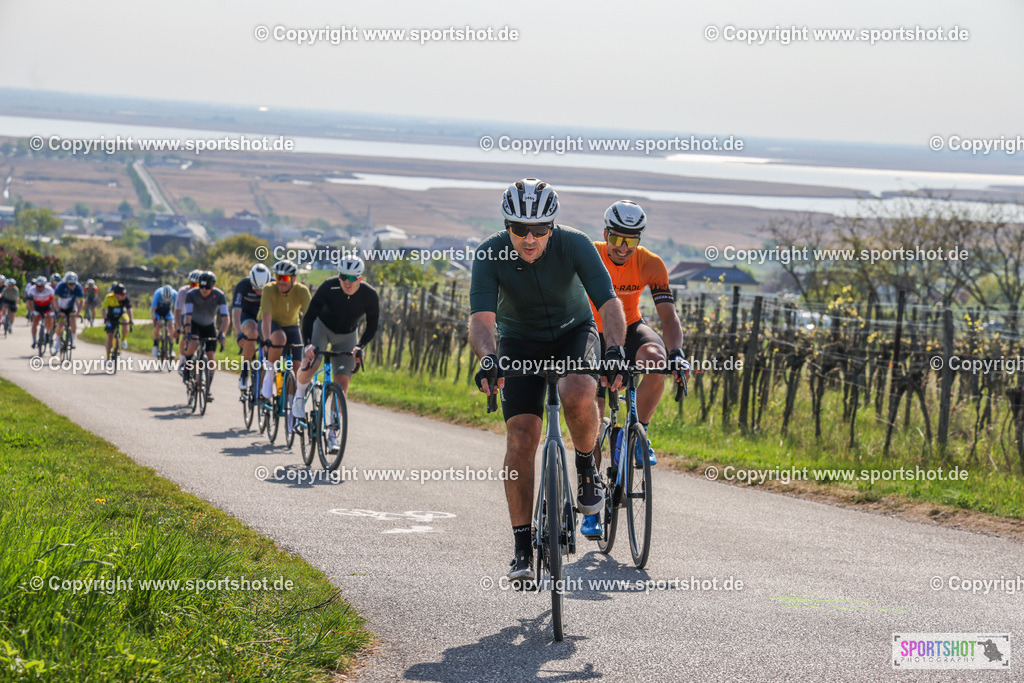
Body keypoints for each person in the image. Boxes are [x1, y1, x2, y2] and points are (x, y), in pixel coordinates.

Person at [469, 178, 628, 586]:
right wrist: (489, 359)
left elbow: (609, 304)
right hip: (519, 341)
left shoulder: (575, 245)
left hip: (574, 331)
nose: (530, 238)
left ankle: (586, 469)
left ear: (552, 228)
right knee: (522, 435)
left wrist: (613, 350)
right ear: (507, 225)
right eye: (520, 229)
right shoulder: (489, 254)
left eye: (540, 230)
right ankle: (522, 547)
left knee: (577, 392)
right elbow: (481, 321)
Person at [579, 200, 689, 540]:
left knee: (657, 360)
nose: (623, 248)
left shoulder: (651, 264)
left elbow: (668, 317)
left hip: (631, 328)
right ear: (605, 234)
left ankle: (636, 432)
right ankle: (591, 504)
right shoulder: (589, 255)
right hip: (592, 334)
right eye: (617, 239)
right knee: (593, 426)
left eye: (632, 241)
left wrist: (678, 353)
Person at [291, 257, 379, 450]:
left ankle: (332, 434)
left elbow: (373, 325)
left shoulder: (369, 295)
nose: (347, 282)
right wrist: (307, 345)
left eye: (352, 277)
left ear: (360, 278)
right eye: (343, 276)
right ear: (338, 276)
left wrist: (360, 346)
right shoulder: (328, 287)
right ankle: (299, 393)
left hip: (347, 335)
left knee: (343, 382)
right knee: (312, 364)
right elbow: (309, 317)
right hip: (321, 327)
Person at [258, 259, 311, 401]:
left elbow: (309, 318)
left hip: (291, 327)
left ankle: (289, 404)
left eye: (285, 278)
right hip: (270, 325)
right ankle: (269, 373)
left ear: (294, 279)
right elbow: (266, 318)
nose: (280, 281)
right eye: (278, 277)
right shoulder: (269, 289)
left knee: (297, 368)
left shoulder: (302, 291)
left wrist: (310, 342)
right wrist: (267, 339)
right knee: (280, 338)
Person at [181, 271, 229, 400]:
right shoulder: (192, 294)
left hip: (209, 326)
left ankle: (207, 389)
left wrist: (222, 333)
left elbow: (225, 318)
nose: (204, 290)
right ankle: (187, 367)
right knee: (193, 343)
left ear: (212, 286)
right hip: (194, 324)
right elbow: (188, 316)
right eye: (201, 286)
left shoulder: (219, 295)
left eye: (207, 287)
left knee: (211, 358)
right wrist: (188, 332)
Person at [231, 263, 273, 390]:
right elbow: (236, 312)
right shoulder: (242, 285)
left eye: (262, 290)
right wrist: (239, 333)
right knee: (253, 332)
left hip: (266, 316)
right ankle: (244, 372)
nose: (259, 293)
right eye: (256, 289)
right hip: (247, 315)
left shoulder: (274, 285)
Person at [175, 270, 202, 371]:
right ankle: (182, 360)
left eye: (197, 284)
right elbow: (178, 311)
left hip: (199, 316)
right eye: (192, 283)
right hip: (184, 314)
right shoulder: (183, 292)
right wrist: (178, 326)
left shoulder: (205, 292)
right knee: (185, 334)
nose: (194, 287)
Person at [52, 271, 85, 351]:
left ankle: (73, 340)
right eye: (70, 284)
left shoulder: (78, 287)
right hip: (60, 307)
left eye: (74, 284)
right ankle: (58, 341)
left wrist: (78, 312)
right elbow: (55, 300)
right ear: (66, 282)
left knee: (73, 320)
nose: (72, 286)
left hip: (70, 307)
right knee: (60, 324)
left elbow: (81, 301)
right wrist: (59, 311)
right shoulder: (60, 286)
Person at [102, 282, 133, 357]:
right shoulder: (109, 298)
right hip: (111, 317)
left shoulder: (125, 299)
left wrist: (131, 320)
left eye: (124, 293)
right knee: (110, 336)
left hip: (121, 315)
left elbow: (129, 310)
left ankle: (123, 339)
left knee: (125, 322)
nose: (124, 295)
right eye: (122, 294)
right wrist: (106, 319)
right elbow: (103, 309)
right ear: (116, 294)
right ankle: (108, 357)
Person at [27, 277, 56, 349]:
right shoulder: (32, 290)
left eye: (41, 286)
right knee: (35, 322)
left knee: (50, 318)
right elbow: (30, 303)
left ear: (44, 286)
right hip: (37, 307)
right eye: (37, 286)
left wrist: (52, 311)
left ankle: (49, 335)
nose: (39, 288)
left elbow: (53, 302)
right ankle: (34, 340)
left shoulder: (49, 290)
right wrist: (32, 311)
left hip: (47, 306)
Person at [150, 284, 177, 357]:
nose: (167, 300)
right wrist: (155, 319)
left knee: (171, 326)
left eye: (168, 299)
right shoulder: (157, 293)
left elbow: (177, 310)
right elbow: (153, 310)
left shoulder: (175, 294)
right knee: (157, 326)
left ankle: (171, 349)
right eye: (165, 298)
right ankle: (155, 346)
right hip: (157, 311)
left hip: (167, 311)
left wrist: (176, 321)